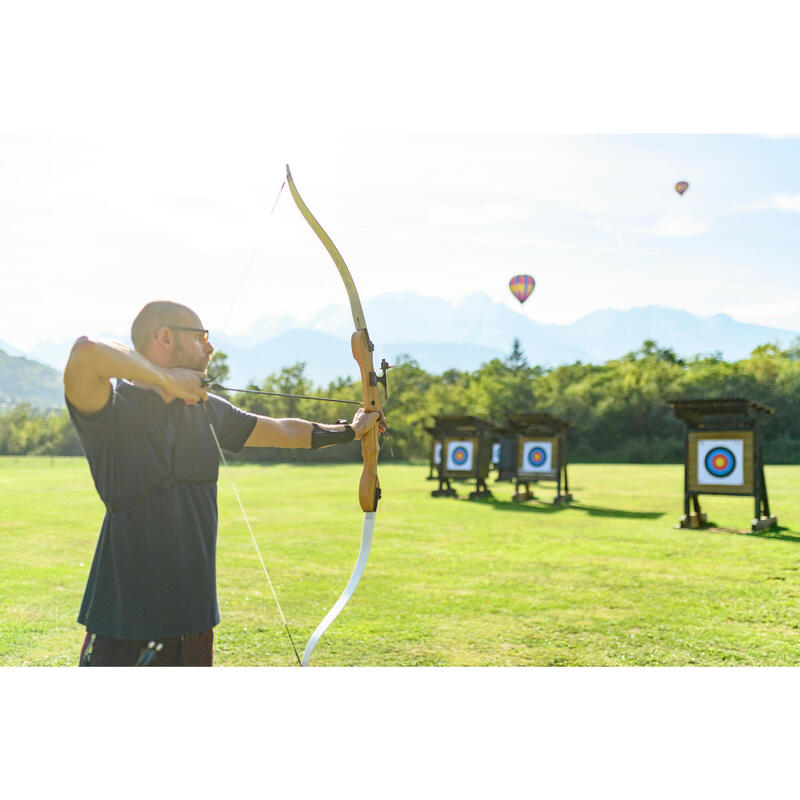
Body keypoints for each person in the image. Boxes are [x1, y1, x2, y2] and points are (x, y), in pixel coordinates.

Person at [64, 300, 383, 666]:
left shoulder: (207, 408)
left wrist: (350, 431)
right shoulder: (111, 409)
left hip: (195, 623)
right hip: (123, 624)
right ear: (164, 337)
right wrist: (166, 379)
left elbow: (283, 431)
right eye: (201, 336)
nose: (210, 347)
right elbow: (86, 351)